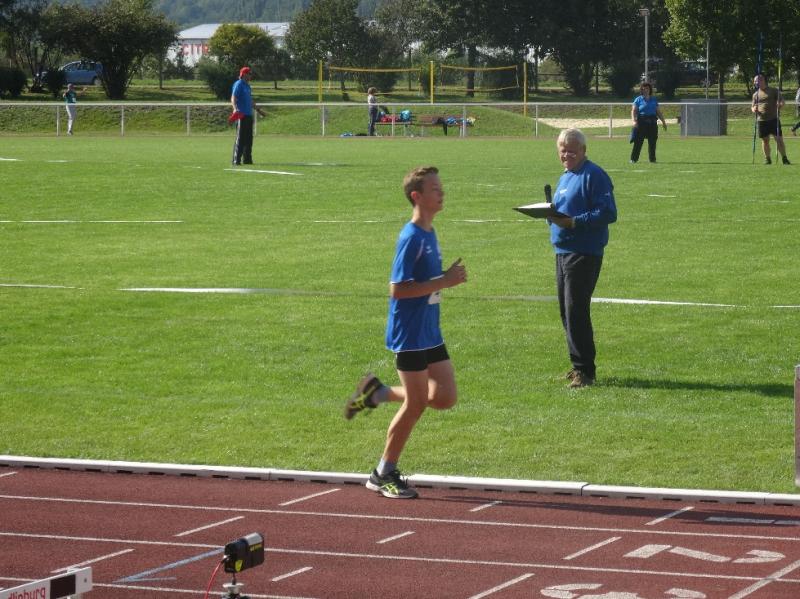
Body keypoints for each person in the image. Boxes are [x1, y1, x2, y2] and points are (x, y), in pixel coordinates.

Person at [344, 166, 467, 499]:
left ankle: (377, 393)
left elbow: (426, 282)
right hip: (410, 333)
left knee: (445, 396)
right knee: (416, 404)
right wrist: (445, 281)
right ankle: (382, 473)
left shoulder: (429, 232)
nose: (442, 193)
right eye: (435, 189)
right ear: (417, 196)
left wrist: (444, 278)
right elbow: (397, 289)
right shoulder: (411, 237)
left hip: (430, 330)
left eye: (441, 187)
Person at [548, 129, 617, 388]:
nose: (567, 155)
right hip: (562, 251)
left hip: (584, 252)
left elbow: (608, 213)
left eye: (572, 150)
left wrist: (574, 222)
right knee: (566, 311)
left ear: (584, 151)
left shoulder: (594, 175)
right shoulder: (566, 176)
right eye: (563, 150)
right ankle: (577, 366)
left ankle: (585, 371)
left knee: (576, 310)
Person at [751, 73, 790, 164]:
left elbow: (782, 101)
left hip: (773, 119)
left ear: (762, 80)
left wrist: (780, 105)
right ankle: (767, 159)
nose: (755, 83)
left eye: (756, 81)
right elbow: (752, 107)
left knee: (779, 140)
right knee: (765, 140)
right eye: (754, 81)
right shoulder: (755, 94)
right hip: (761, 120)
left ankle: (784, 158)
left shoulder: (773, 91)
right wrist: (754, 109)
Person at [230, 66, 266, 166]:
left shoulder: (247, 86)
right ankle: (236, 160)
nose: (251, 75)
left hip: (249, 115)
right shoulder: (239, 84)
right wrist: (234, 108)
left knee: (249, 139)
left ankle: (247, 160)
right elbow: (233, 97)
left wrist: (259, 111)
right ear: (244, 74)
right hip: (241, 115)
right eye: (249, 74)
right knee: (240, 138)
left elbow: (250, 101)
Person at [630, 82, 667, 163]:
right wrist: (634, 121)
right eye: (644, 89)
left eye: (647, 88)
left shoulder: (654, 100)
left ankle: (652, 159)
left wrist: (663, 122)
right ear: (641, 90)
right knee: (638, 141)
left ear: (650, 90)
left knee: (652, 141)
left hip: (652, 123)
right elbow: (633, 111)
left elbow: (658, 112)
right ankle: (633, 159)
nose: (645, 90)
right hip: (641, 122)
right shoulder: (638, 99)